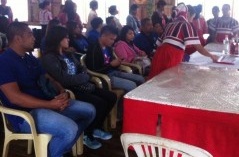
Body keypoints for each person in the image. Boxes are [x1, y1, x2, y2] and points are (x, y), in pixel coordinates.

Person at [0, 22, 96, 157]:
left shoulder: (29, 58)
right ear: (18, 39)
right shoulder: (4, 61)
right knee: (70, 129)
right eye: (30, 34)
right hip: (25, 115)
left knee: (89, 111)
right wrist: (50, 104)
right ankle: (55, 152)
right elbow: (14, 97)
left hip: (47, 103)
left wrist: (62, 92)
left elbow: (49, 77)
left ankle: (58, 149)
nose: (34, 38)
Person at [41, 26, 116, 150]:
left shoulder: (68, 54)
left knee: (111, 97)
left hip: (81, 85)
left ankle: (95, 127)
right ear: (57, 39)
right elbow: (63, 80)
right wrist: (84, 77)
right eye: (65, 37)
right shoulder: (49, 58)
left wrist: (83, 75)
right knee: (100, 103)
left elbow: (82, 67)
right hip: (69, 90)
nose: (68, 39)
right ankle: (87, 133)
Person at [148, 3, 218, 79]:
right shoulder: (186, 25)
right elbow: (198, 46)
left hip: (159, 54)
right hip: (171, 55)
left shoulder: (170, 24)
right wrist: (211, 56)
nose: (192, 20)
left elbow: (159, 43)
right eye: (192, 17)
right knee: (169, 82)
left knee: (157, 81)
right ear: (188, 14)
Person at [85, 25, 145, 93]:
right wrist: (111, 65)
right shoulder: (94, 49)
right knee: (132, 85)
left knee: (141, 79)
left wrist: (118, 62)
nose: (113, 42)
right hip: (104, 77)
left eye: (114, 39)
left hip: (113, 72)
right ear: (103, 36)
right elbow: (94, 70)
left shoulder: (108, 47)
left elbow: (112, 63)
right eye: (111, 39)